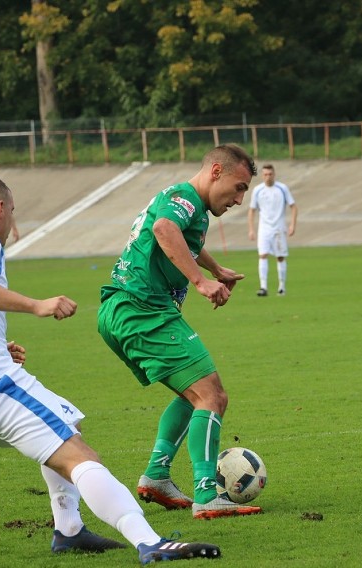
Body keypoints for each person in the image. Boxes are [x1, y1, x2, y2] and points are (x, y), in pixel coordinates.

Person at [0, 173, 220, 564]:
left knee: (65, 425)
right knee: (81, 456)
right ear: (0, 208)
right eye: (12, 214)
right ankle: (150, 542)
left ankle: (69, 530)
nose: (9, 225)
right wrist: (36, 304)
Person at [97, 144, 263, 520]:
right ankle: (207, 494)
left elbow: (183, 237)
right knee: (213, 396)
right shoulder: (185, 198)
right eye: (238, 187)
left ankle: (157, 476)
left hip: (124, 309)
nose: (239, 199)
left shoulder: (191, 207)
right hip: (142, 309)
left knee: (194, 395)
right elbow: (164, 228)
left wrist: (216, 269)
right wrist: (200, 281)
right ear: (216, 171)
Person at [247, 164, 298, 296]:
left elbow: (293, 206)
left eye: (270, 174)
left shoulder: (282, 188)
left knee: (280, 256)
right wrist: (251, 229)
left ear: (274, 174)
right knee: (262, 255)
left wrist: (292, 224)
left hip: (279, 228)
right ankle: (263, 287)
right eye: (265, 174)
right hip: (264, 228)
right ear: (262, 176)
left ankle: (282, 287)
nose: (268, 177)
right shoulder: (258, 190)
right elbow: (252, 210)